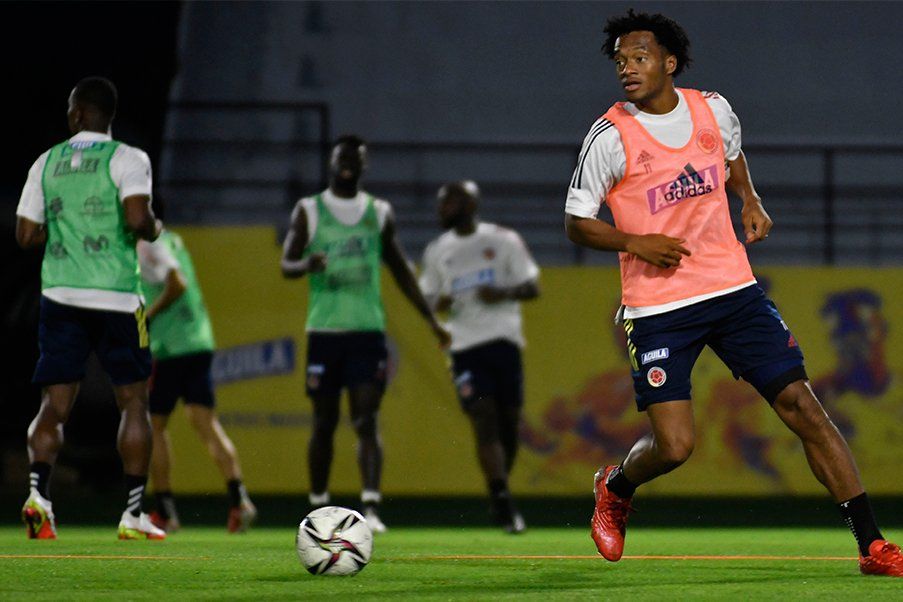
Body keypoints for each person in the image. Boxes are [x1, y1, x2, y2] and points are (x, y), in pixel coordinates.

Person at [565, 10, 902, 576]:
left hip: (733, 291)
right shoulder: (610, 135)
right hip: (659, 308)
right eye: (620, 60)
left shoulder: (712, 109)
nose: (627, 69)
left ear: (670, 62)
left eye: (640, 57)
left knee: (805, 409)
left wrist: (750, 198)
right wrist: (635, 241)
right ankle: (616, 486)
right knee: (674, 446)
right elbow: (576, 222)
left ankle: (872, 544)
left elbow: (730, 156)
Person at [16, 77, 166, 540]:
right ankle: (133, 513)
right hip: (117, 296)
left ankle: (39, 496)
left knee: (53, 406)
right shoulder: (128, 158)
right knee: (134, 402)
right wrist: (155, 228)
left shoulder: (47, 162)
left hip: (61, 295)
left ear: (79, 113)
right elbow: (139, 219)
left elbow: (25, 235)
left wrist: (62, 236)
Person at [281, 134, 450, 532]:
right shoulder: (309, 210)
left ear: (363, 166)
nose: (347, 165)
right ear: (331, 162)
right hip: (324, 330)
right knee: (323, 421)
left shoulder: (378, 212)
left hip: (367, 331)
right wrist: (308, 263)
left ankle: (370, 508)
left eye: (355, 159)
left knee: (366, 419)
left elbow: (402, 270)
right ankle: (318, 505)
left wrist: (431, 321)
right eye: (341, 157)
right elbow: (286, 263)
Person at [419, 181, 540, 533]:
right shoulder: (438, 250)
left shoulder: (502, 240)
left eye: (449, 202)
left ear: (469, 203)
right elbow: (427, 298)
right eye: (440, 203)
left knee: (508, 426)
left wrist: (502, 292)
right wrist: (436, 308)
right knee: (483, 416)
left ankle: (498, 491)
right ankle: (503, 499)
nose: (442, 209)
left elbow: (532, 286)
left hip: (503, 341)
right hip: (464, 347)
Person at [137, 198, 257, 533]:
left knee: (153, 426)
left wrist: (147, 316)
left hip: (172, 346)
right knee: (206, 423)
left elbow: (177, 283)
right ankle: (239, 500)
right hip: (199, 340)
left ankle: (165, 511)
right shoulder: (173, 239)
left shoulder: (148, 243)